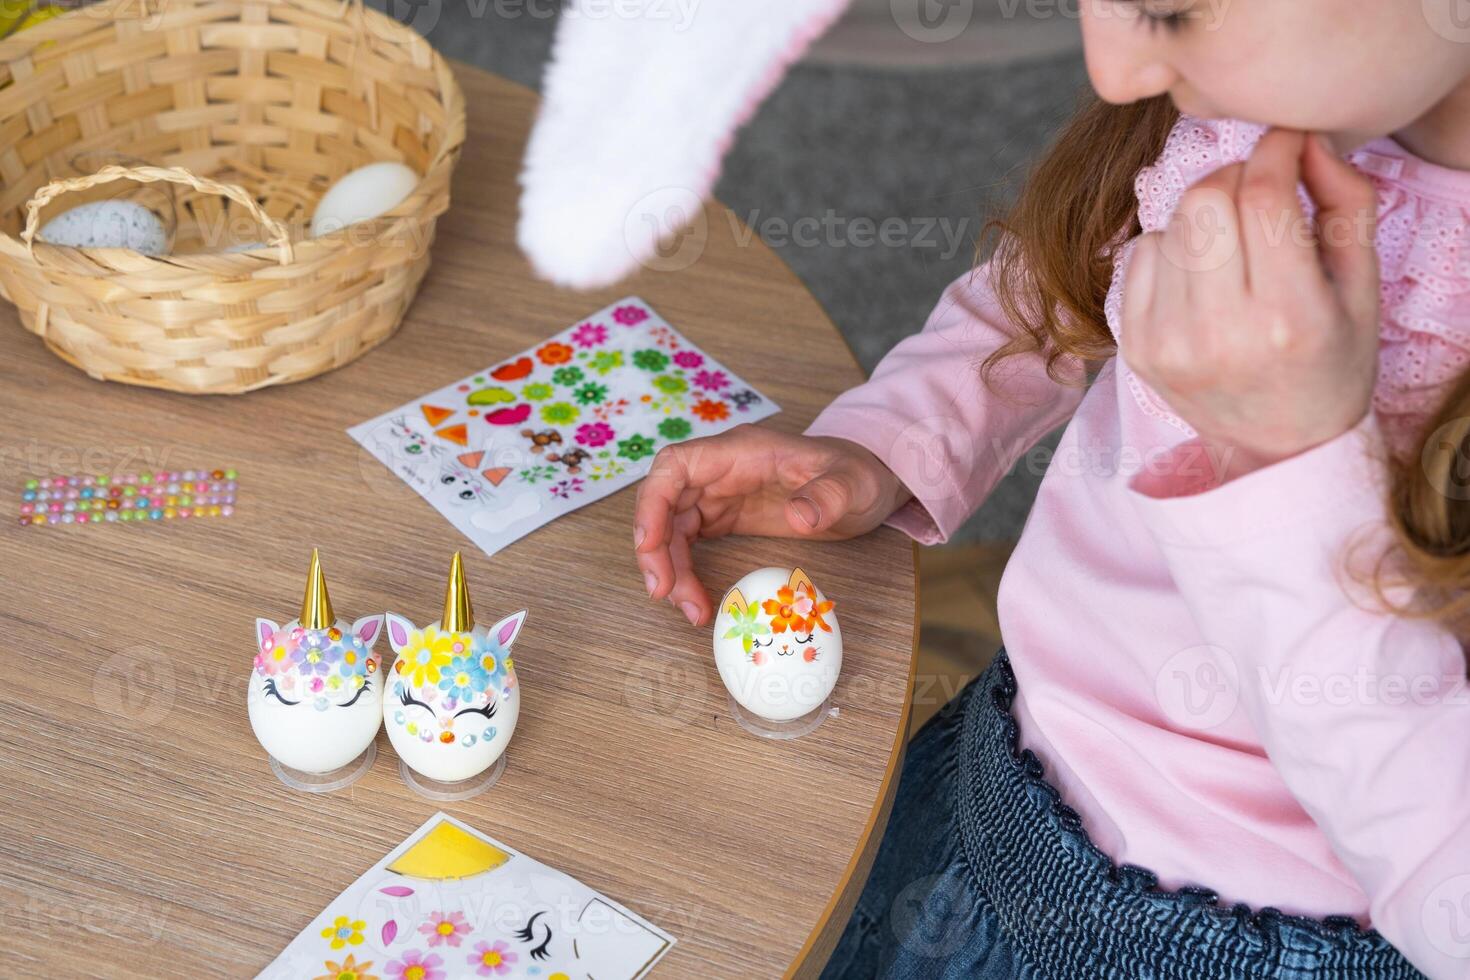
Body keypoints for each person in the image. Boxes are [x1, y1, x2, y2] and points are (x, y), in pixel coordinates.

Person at [631, 2, 1470, 977]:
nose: (1111, 72)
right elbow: (1071, 274)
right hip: (1002, 772)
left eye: (1169, 9)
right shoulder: (1250, 102)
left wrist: (1286, 459)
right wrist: (891, 439)